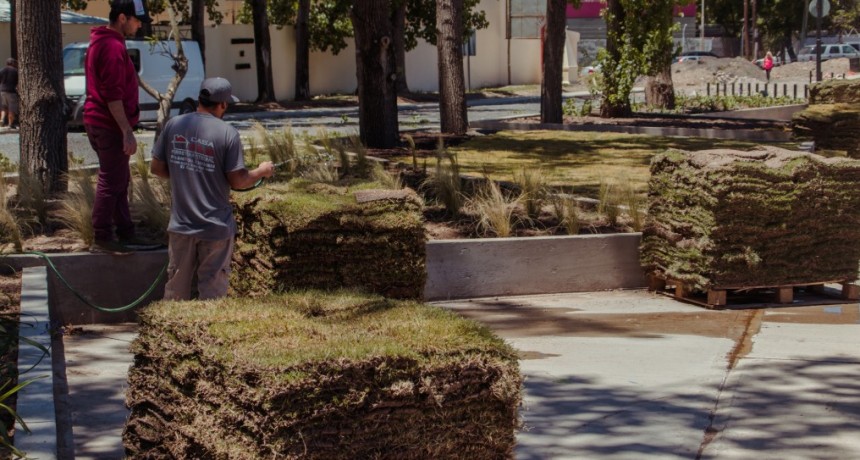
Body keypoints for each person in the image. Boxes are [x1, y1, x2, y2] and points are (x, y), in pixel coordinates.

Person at [151, 77, 274, 300]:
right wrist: (262, 171)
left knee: (176, 291)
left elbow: (157, 168)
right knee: (213, 293)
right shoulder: (227, 134)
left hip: (181, 227)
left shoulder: (174, 125)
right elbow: (238, 181)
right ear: (223, 104)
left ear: (200, 98)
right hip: (215, 228)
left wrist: (185, 172)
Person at [83, 0, 153, 254]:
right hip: (109, 124)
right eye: (137, 21)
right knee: (111, 181)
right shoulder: (111, 46)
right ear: (122, 18)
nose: (139, 26)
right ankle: (102, 236)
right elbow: (113, 96)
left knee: (119, 180)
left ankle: (125, 232)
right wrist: (126, 131)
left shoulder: (104, 43)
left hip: (100, 121)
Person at [0, 58, 19, 130]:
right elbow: (18, 83)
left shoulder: (2, 70)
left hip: (2, 91)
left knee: (4, 107)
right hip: (11, 92)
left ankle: (2, 120)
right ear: (13, 63)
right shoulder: (15, 71)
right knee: (12, 108)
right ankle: (10, 124)